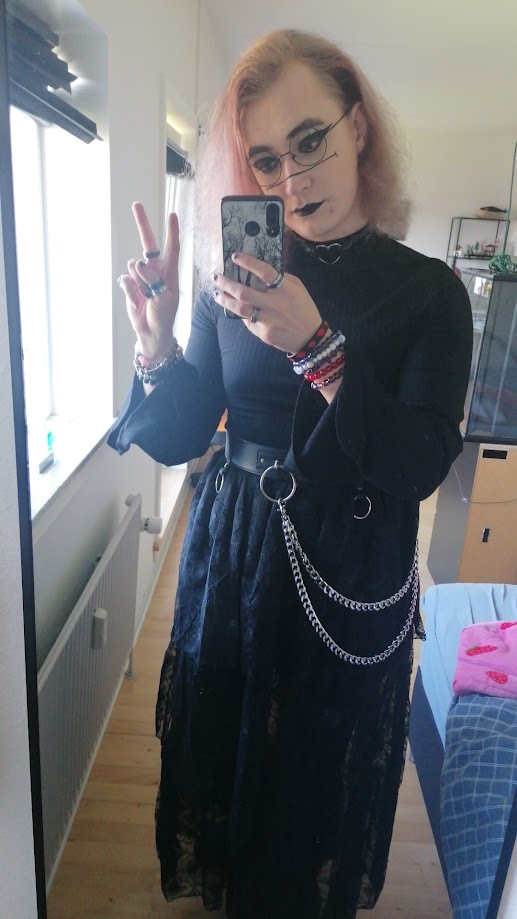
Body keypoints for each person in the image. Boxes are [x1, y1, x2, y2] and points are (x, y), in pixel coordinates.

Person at [109, 28, 473, 919]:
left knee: (317, 752)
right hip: (233, 546)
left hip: (350, 558)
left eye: (309, 141)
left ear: (358, 127)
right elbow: (184, 432)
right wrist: (155, 347)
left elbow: (420, 461)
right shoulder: (231, 279)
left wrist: (318, 348)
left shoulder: (427, 293)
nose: (291, 177)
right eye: (265, 159)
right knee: (224, 729)